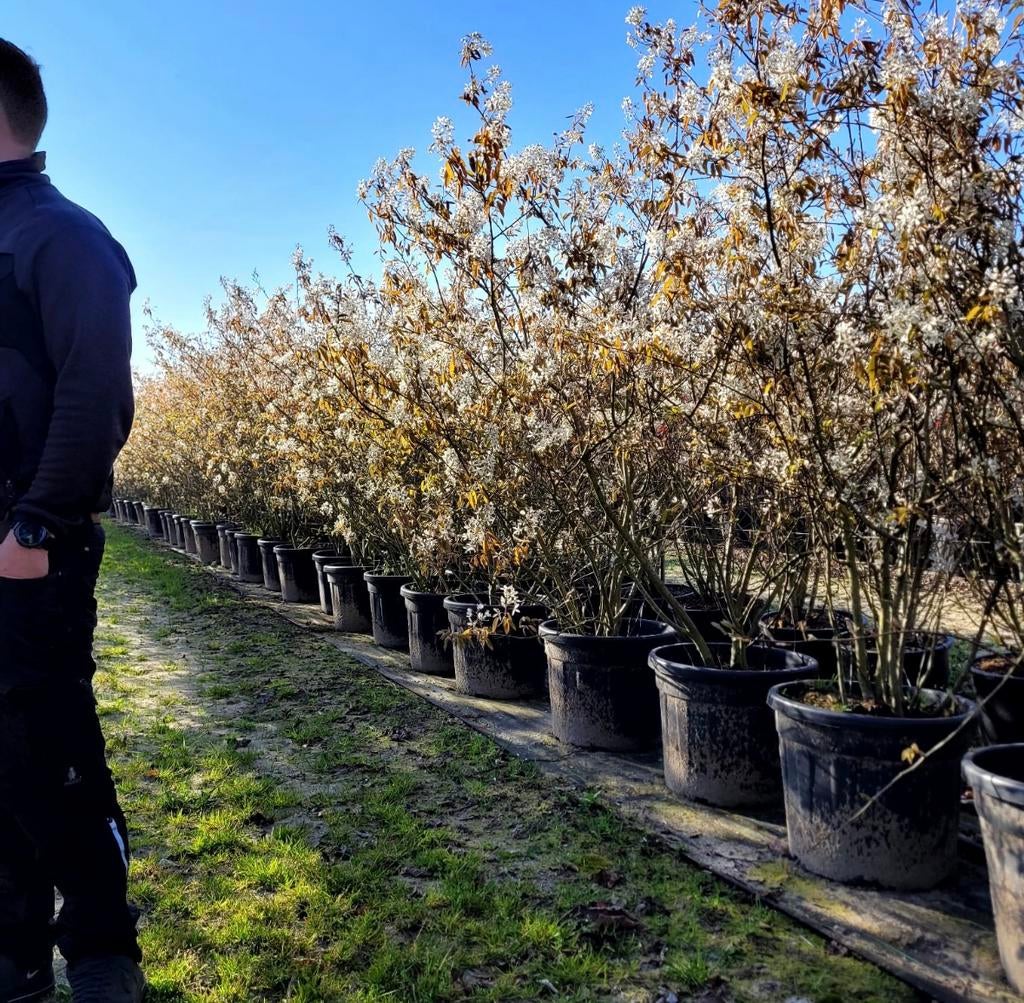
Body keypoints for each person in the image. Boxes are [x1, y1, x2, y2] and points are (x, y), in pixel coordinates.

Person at [0, 39, 143, 1003]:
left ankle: (99, 943)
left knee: (49, 741)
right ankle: (12, 953)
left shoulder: (63, 236)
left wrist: (35, 529)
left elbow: (95, 396)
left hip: (30, 553)